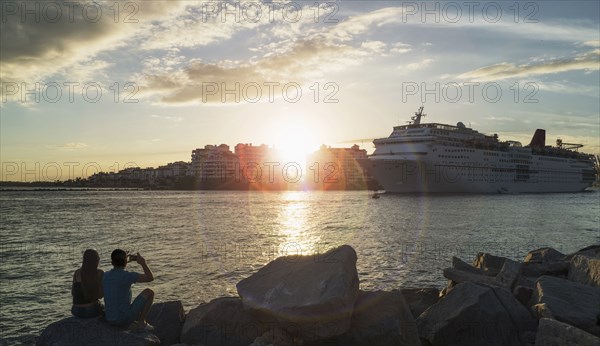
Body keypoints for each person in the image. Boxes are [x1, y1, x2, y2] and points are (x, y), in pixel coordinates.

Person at [102, 249, 155, 330]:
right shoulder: (127, 276)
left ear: (112, 263)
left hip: (109, 318)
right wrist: (143, 263)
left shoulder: (105, 276)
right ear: (126, 262)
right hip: (123, 319)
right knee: (149, 292)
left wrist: (124, 262)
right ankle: (141, 323)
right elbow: (150, 278)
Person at [72, 249, 104, 318]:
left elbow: (73, 293)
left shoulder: (77, 272)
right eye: (98, 257)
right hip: (91, 310)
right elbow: (101, 295)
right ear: (96, 260)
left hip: (76, 310)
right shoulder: (99, 273)